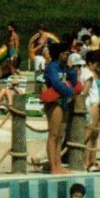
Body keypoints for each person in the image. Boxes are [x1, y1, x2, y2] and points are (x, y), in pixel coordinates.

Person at [41, 40, 78, 174]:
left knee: (60, 135)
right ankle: (53, 167)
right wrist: (70, 92)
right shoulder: (52, 67)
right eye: (65, 53)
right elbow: (56, 84)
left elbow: (73, 82)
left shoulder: (64, 67)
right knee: (54, 135)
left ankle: (58, 164)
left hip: (63, 101)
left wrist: (71, 69)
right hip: (54, 102)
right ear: (59, 54)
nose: (67, 56)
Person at [81, 49, 100, 171]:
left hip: (96, 105)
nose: (98, 66)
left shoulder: (96, 74)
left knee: (94, 135)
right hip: (92, 105)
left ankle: (92, 160)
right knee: (89, 135)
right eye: (96, 63)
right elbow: (85, 92)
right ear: (90, 63)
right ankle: (86, 161)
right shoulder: (88, 74)